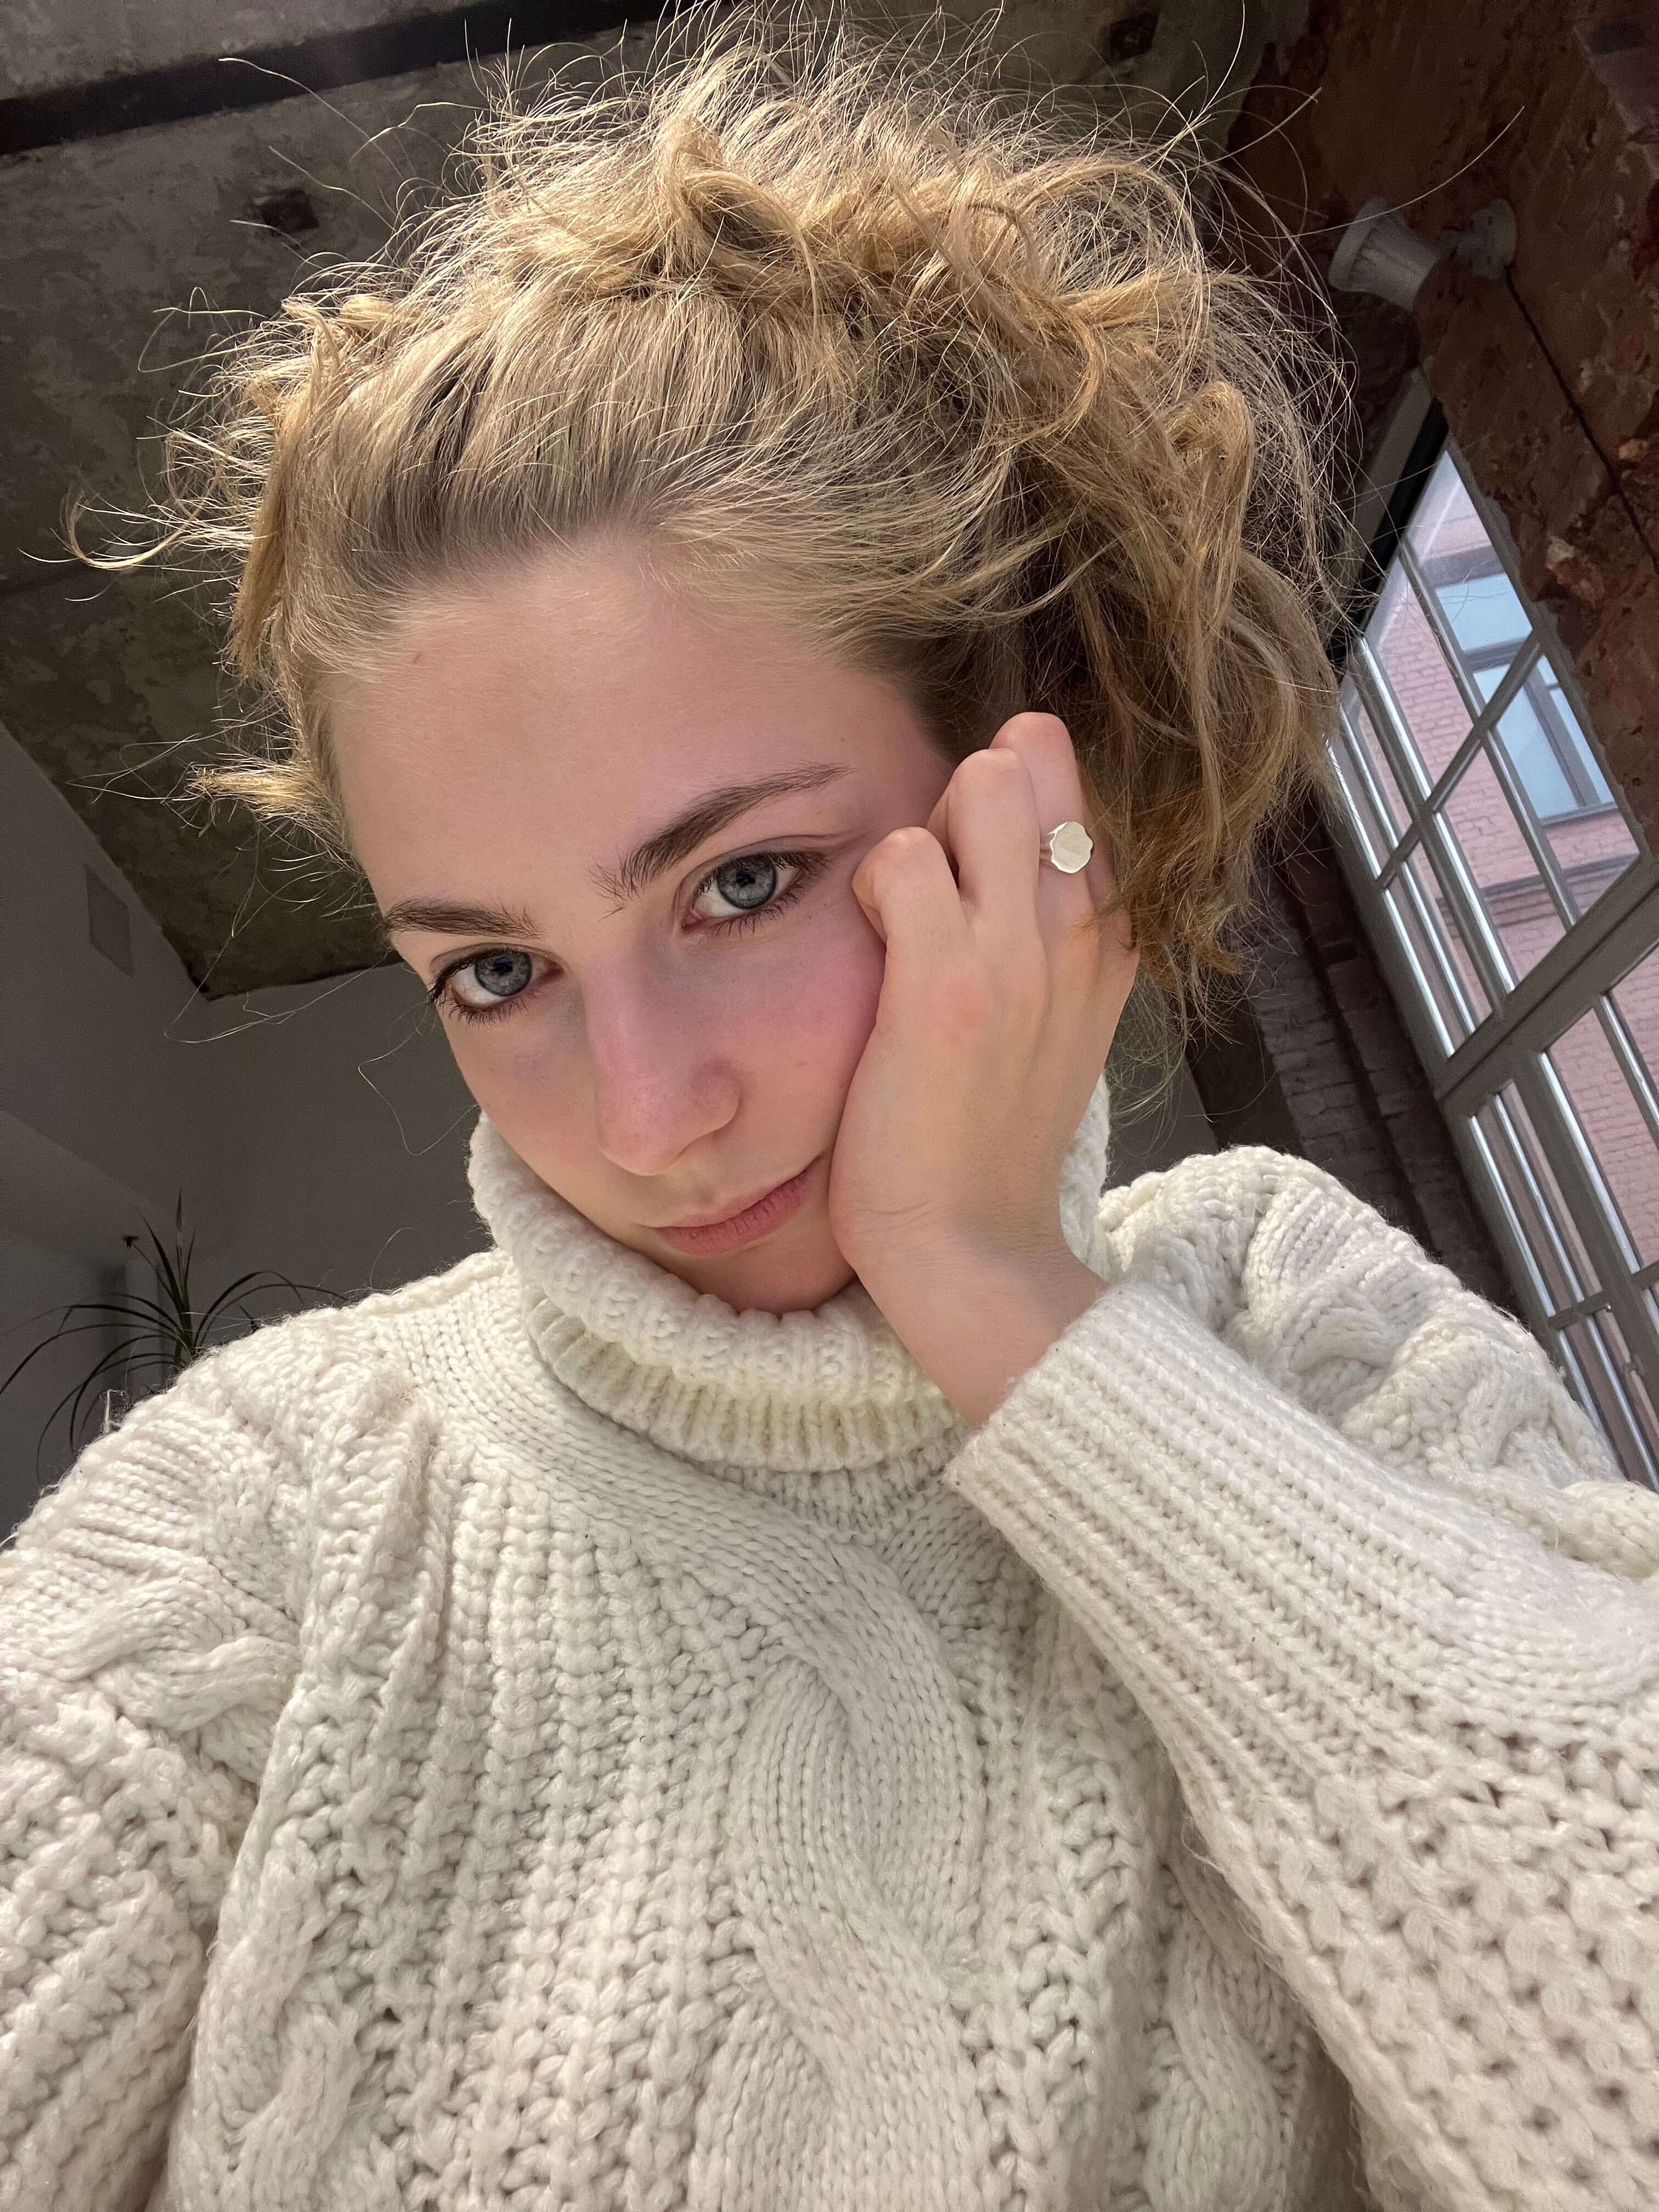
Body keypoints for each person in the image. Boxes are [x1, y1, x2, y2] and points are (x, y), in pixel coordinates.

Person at [5, 6, 1657, 2208]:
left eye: (742, 882)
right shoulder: (266, 1495)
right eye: (493, 969)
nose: (646, 1114)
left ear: (1023, 804)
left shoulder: (1301, 1325)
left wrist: (1002, 1300)